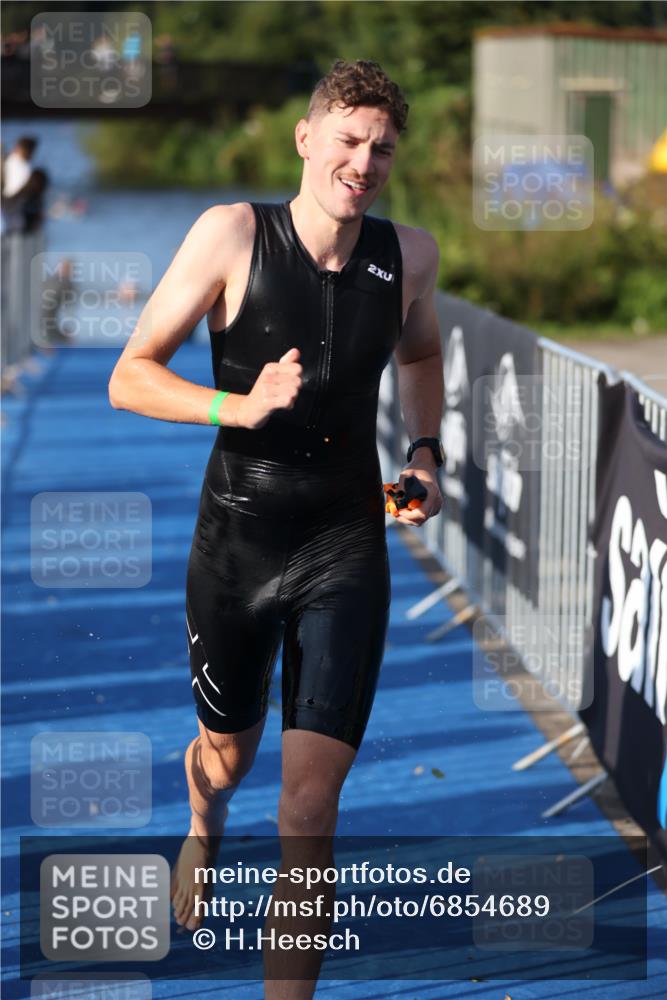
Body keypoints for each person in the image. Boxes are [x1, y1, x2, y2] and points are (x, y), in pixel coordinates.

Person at [108, 58, 444, 997]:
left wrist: (423, 453)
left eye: (379, 147)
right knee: (227, 759)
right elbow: (129, 375)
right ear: (306, 138)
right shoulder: (230, 234)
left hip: (345, 542)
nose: (362, 162)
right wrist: (237, 407)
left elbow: (420, 351)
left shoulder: (408, 255)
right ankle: (203, 823)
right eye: (346, 140)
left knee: (308, 807)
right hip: (238, 544)